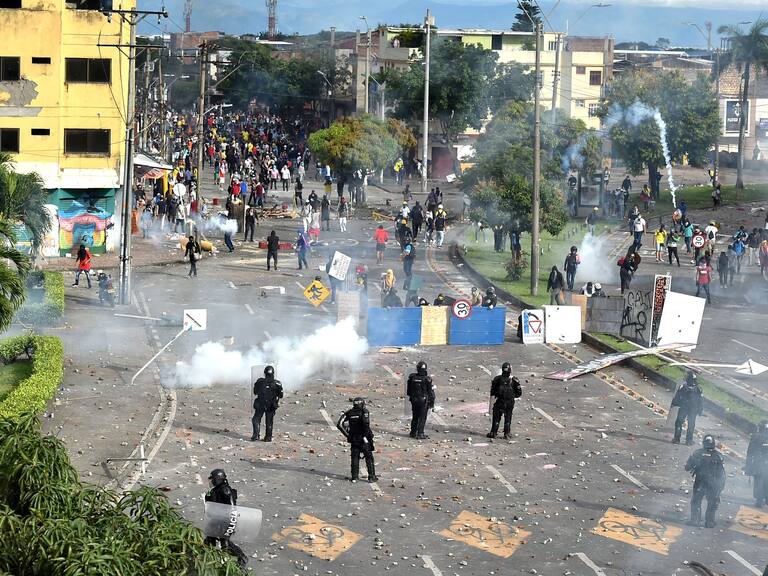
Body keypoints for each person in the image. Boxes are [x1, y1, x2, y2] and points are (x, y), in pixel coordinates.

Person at [204, 469, 247, 568]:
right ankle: (206, 560)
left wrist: (229, 523)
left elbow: (231, 508)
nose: (211, 481)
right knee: (210, 540)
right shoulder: (215, 490)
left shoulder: (225, 490)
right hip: (217, 519)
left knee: (225, 543)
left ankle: (242, 558)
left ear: (217, 479)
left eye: (212, 479)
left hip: (225, 521)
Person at [685, 435, 726, 528]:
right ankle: (709, 522)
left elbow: (687, 467)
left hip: (700, 482)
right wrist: (721, 488)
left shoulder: (697, 453)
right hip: (714, 484)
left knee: (696, 501)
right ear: (713, 444)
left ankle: (695, 520)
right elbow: (722, 474)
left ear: (704, 443)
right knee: (712, 503)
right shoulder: (719, 456)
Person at [336, 397, 378, 483]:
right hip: (364, 439)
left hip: (354, 438)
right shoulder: (364, 412)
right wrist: (365, 437)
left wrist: (348, 435)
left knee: (355, 457)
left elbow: (340, 424)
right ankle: (371, 477)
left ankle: (354, 477)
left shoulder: (349, 412)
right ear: (362, 404)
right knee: (369, 457)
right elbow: (366, 424)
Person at [486, 362, 522, 439]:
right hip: (509, 403)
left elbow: (492, 392)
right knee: (508, 418)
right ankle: (507, 433)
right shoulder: (514, 380)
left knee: (496, 418)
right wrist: (512, 396)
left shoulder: (497, 379)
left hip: (499, 402)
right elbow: (519, 393)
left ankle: (493, 432)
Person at [251, 365, 283, 442]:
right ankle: (268, 437)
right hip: (271, 405)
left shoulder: (260, 382)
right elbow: (281, 395)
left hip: (260, 404)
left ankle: (256, 435)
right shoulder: (277, 384)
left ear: (265, 373)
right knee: (269, 422)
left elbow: (255, 392)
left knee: (256, 419)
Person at [672, 371, 703, 445]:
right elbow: (701, 400)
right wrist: (700, 410)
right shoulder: (698, 388)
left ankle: (676, 439)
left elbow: (677, 397)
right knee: (691, 424)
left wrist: (675, 403)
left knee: (679, 422)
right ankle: (689, 441)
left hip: (684, 408)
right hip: (693, 409)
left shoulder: (683, 386)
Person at [407, 361, 435, 440]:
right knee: (422, 418)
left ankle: (413, 432)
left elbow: (408, 390)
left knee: (415, 416)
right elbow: (431, 392)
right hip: (423, 400)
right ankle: (420, 433)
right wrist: (431, 403)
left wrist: (411, 398)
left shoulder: (412, 377)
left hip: (414, 399)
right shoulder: (427, 379)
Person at [745, 420, 768, 508]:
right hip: (761, 463)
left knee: (758, 481)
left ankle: (759, 500)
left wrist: (748, 466)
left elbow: (750, 452)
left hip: (758, 463)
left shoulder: (756, 437)